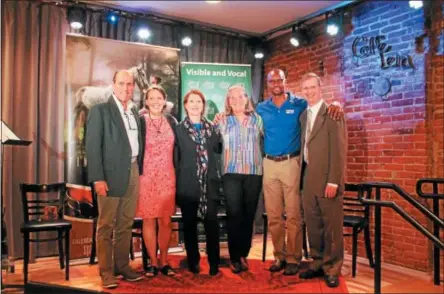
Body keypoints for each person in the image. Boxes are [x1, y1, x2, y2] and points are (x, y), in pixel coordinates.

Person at [256, 68, 342, 276]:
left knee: (294, 214)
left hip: (292, 163)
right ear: (267, 84)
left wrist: (337, 104)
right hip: (269, 164)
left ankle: (294, 258)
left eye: (280, 79)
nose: (276, 83)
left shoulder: (299, 104)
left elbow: (320, 105)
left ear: (286, 81)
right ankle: (279, 256)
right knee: (275, 216)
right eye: (271, 80)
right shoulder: (261, 108)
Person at [85, 70, 143, 289]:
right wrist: (98, 178)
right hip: (108, 176)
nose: (126, 88)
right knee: (106, 225)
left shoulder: (135, 111)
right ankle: (106, 271)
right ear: (113, 84)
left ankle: (122, 266)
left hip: (133, 169)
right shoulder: (100, 110)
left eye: (130, 84)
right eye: (121, 83)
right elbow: (92, 147)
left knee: (126, 222)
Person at [298, 73, 347, 288]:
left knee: (331, 227)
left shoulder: (333, 113)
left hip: (328, 180)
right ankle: (317, 263)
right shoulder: (303, 116)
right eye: (305, 88)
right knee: (314, 226)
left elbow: (339, 149)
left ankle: (332, 268)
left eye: (312, 87)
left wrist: (334, 181)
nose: (308, 91)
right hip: (308, 178)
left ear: (320, 87)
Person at [216, 84, 263, 273]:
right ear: (228, 101)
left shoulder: (257, 120)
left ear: (246, 99)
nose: (236, 100)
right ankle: (235, 257)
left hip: (254, 173)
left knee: (248, 215)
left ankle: (244, 253)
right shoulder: (221, 121)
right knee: (234, 214)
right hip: (231, 174)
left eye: (240, 97)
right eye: (232, 98)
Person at [175, 89, 222, 276]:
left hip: (209, 185)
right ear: (186, 105)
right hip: (187, 185)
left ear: (203, 106)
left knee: (212, 226)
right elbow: (175, 160)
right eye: (191, 101)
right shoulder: (178, 130)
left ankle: (214, 263)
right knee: (189, 226)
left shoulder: (212, 129)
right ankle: (193, 261)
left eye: (199, 102)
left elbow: (218, 153)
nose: (195, 105)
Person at [137, 85, 178, 277]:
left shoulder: (171, 121)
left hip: (168, 177)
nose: (155, 101)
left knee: (165, 221)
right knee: (148, 220)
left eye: (158, 98)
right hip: (146, 177)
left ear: (164, 100)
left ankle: (164, 261)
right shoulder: (140, 122)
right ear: (146, 101)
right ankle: (153, 263)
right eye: (151, 98)